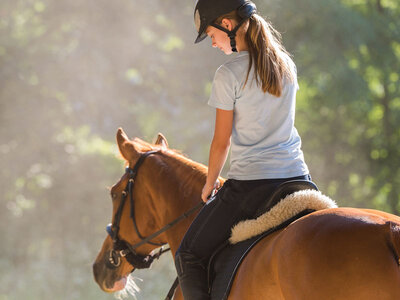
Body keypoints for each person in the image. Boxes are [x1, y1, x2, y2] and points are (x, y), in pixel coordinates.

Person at [175, 0, 312, 299]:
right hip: (298, 179)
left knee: (187, 255)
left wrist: (209, 184)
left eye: (211, 35)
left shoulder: (229, 74)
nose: (212, 43)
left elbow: (221, 142)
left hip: (253, 185)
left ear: (227, 25)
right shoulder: (286, 65)